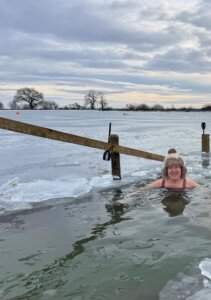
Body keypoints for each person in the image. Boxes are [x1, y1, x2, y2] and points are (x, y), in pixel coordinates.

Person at [110, 149, 198, 207]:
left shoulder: (188, 183)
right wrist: (124, 200)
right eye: (170, 168)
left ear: (182, 169)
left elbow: (204, 192)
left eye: (176, 167)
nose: (173, 170)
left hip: (183, 198)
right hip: (164, 197)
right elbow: (141, 191)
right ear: (166, 170)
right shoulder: (161, 182)